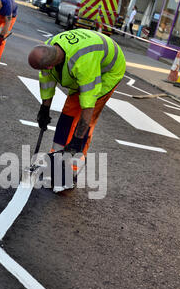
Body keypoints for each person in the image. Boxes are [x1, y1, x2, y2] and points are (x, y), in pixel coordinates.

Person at [28, 29, 126, 187]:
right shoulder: (48, 49)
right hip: (88, 59)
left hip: (107, 72)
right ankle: (57, 164)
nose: (43, 71)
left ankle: (72, 170)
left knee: (83, 119)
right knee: (67, 115)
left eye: (44, 68)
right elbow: (47, 80)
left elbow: (88, 106)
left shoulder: (82, 63)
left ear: (51, 64)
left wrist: (76, 140)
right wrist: (44, 109)